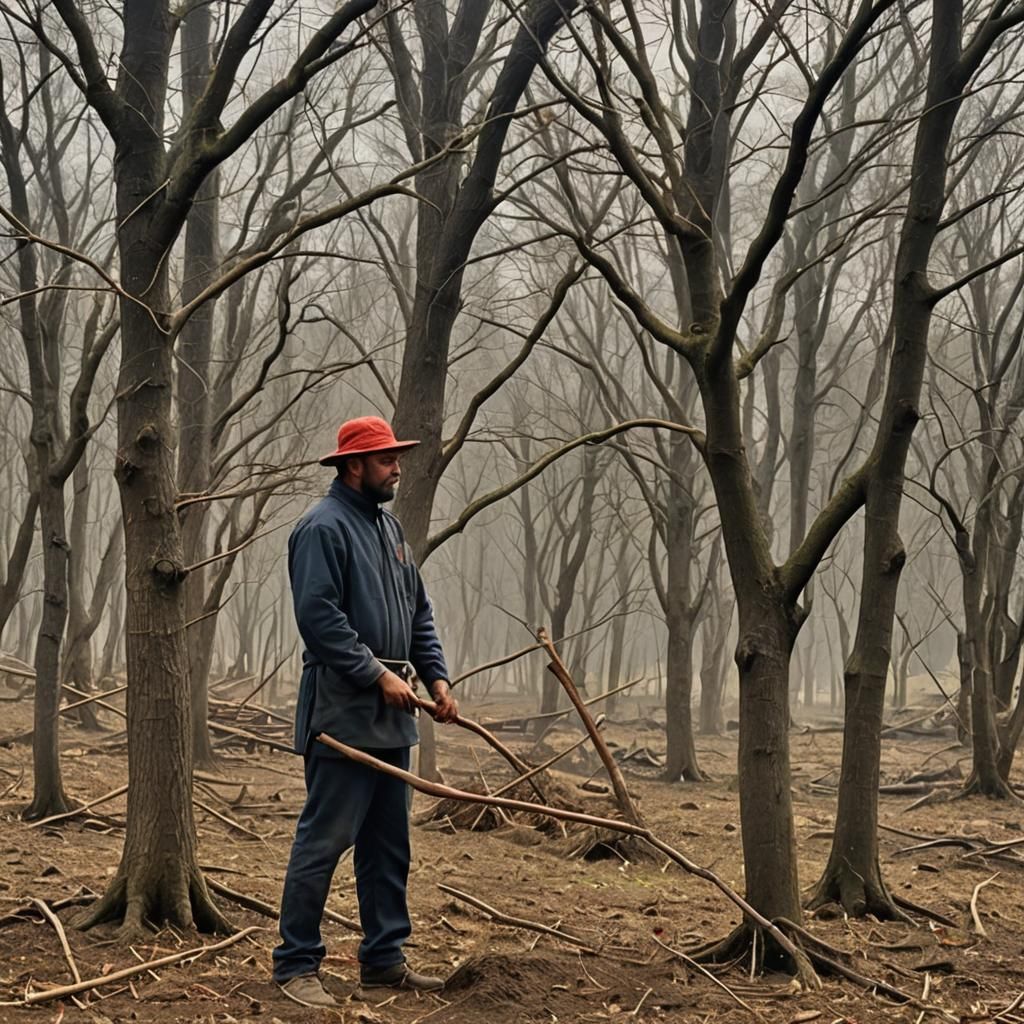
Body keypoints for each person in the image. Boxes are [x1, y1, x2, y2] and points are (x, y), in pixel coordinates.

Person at [272, 415, 459, 1008]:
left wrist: (436, 676)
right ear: (352, 466)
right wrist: (375, 673)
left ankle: (384, 960)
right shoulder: (320, 529)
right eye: (385, 460)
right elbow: (320, 619)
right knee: (324, 841)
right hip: (342, 716)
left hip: (392, 716)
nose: (396, 468)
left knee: (389, 845)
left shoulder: (392, 531)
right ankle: (295, 964)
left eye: (396, 458)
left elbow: (418, 613)